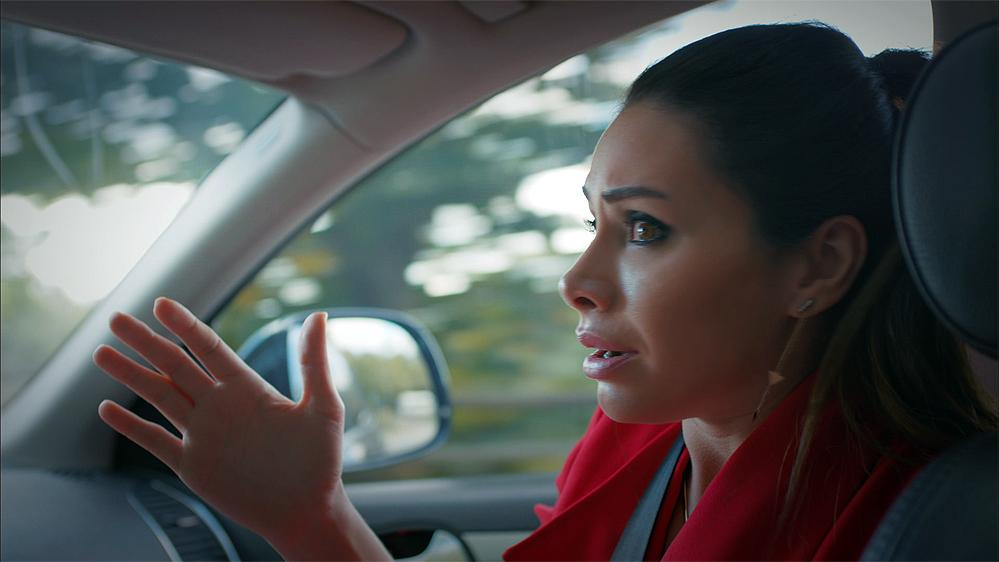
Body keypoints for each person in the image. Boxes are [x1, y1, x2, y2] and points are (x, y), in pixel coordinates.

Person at [94, 22, 997, 561]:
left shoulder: (928, 522)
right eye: (590, 222)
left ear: (817, 266)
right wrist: (310, 515)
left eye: (643, 229)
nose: (576, 283)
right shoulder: (631, 445)